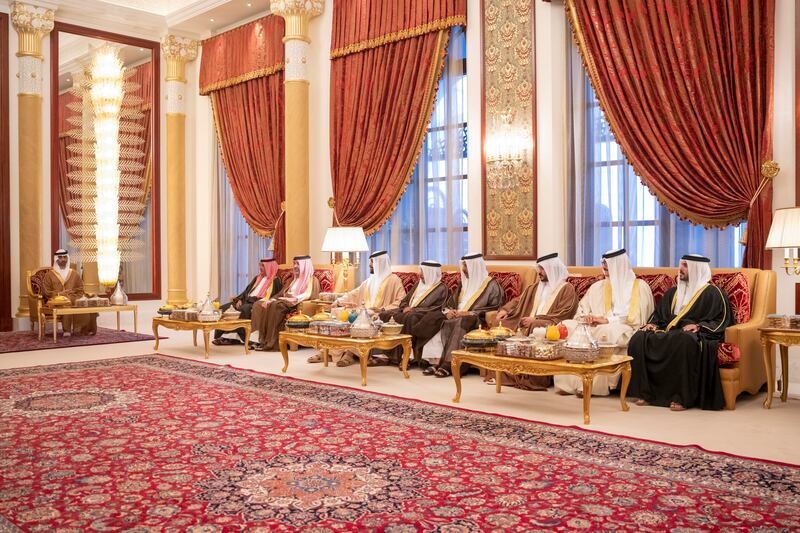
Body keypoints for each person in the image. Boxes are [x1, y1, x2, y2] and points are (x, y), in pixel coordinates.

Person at [627, 254, 733, 411]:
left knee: (684, 340)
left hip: (693, 335)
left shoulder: (713, 293)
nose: (680, 269)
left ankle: (681, 397)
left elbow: (722, 320)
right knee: (639, 337)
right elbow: (659, 316)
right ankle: (645, 392)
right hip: (669, 331)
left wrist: (699, 326)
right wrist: (653, 324)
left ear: (697, 269)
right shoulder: (673, 292)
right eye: (680, 265)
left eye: (685, 266)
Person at [554, 248, 654, 396]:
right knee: (566, 326)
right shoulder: (597, 286)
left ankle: (591, 386)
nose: (604, 269)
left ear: (619, 266)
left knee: (605, 331)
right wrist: (588, 318)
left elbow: (637, 318)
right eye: (603, 266)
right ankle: (568, 384)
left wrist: (606, 320)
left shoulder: (639, 287)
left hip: (626, 329)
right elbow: (581, 309)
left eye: (608, 266)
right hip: (595, 326)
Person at [487, 252, 578, 390]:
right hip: (527, 321)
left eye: (542, 269)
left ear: (551, 269)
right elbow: (518, 300)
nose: (539, 272)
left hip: (551, 324)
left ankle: (529, 377)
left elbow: (564, 313)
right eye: (538, 268)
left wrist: (536, 319)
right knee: (499, 324)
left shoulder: (567, 289)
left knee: (535, 327)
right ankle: (499, 372)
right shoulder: (535, 286)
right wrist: (505, 310)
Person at [308, 250, 405, 366]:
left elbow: (401, 301)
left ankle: (350, 353)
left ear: (380, 263)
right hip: (364, 310)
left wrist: (383, 309)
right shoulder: (369, 281)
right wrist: (339, 301)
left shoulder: (394, 280)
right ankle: (327, 351)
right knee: (341, 314)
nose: (369, 265)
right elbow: (354, 294)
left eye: (372, 262)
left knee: (362, 319)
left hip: (378, 314)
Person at [414, 253, 504, 378]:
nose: (463, 270)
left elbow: (495, 307)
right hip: (457, 315)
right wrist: (449, 311)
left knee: (462, 322)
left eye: (466, 266)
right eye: (463, 266)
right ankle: (434, 361)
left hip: (475, 319)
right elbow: (450, 302)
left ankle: (448, 364)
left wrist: (469, 313)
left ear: (474, 267)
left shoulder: (491, 285)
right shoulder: (463, 283)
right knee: (437, 318)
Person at [378, 260, 449, 367]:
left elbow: (438, 307)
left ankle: (406, 357)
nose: (420, 275)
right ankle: (385, 354)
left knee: (410, 318)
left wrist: (414, 310)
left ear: (431, 273)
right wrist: (405, 307)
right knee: (385, 315)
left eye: (423, 272)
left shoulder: (441, 288)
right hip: (409, 311)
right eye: (421, 271)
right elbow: (405, 300)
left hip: (425, 314)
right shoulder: (417, 284)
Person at [252, 255, 319, 351]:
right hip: (284, 301)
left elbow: (312, 296)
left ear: (305, 266)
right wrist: (269, 300)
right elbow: (280, 293)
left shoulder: (313, 280)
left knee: (276, 306)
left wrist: (295, 299)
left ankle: (273, 343)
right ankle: (262, 340)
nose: (295, 266)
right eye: (294, 263)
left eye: (298, 264)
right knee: (262, 304)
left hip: (296, 305)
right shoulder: (291, 280)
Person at [213, 258, 281, 346]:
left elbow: (271, 297)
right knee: (222, 308)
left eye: (263, 266)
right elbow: (246, 292)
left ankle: (233, 338)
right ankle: (222, 335)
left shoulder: (275, 281)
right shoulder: (257, 278)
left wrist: (250, 301)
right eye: (260, 265)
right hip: (246, 301)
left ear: (269, 267)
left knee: (244, 309)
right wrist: (239, 299)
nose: (260, 268)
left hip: (256, 303)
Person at [42, 249, 97, 336]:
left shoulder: (74, 273)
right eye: (60, 257)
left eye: (65, 257)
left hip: (73, 297)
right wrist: (59, 294)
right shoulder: (49, 275)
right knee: (66, 301)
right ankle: (67, 330)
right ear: (56, 259)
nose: (63, 260)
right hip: (55, 300)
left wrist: (74, 294)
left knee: (84, 302)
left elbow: (80, 289)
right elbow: (46, 292)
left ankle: (86, 329)